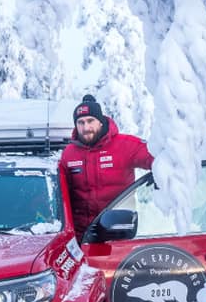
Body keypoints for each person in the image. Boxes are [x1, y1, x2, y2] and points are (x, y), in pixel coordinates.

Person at [60, 94, 154, 239]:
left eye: (90, 121)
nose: (86, 127)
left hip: (119, 233)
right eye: (81, 122)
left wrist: (160, 176)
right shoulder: (69, 154)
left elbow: (159, 160)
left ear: (101, 122)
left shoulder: (125, 145)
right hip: (81, 238)